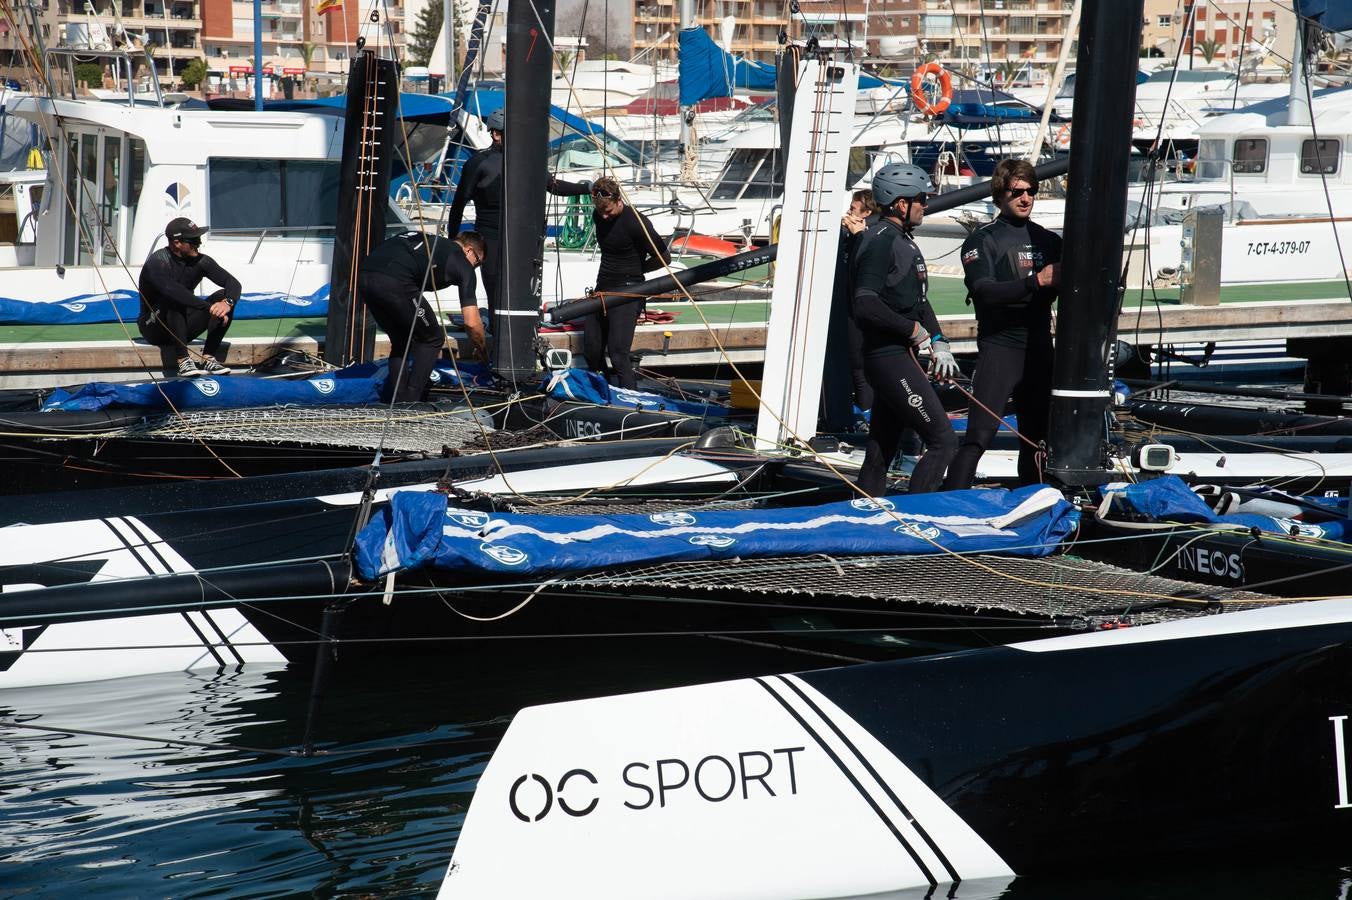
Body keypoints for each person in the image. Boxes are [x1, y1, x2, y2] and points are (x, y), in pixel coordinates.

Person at [943, 157, 1062, 490]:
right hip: (1001, 346)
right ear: (1000, 194)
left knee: (1036, 437)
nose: (1025, 198)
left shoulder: (1048, 240)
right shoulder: (983, 240)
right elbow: (984, 293)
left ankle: (1035, 501)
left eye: (1031, 191)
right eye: (1017, 192)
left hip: (1039, 346)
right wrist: (1034, 283)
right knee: (979, 436)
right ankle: (950, 502)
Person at [850, 163, 959, 497]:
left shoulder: (903, 240)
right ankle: (918, 514)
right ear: (900, 204)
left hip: (897, 355)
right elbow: (864, 303)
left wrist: (939, 341)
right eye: (921, 198)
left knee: (881, 448)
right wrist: (912, 330)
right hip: (889, 358)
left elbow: (919, 302)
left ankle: (867, 510)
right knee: (943, 440)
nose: (925, 205)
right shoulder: (881, 240)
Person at [548, 176, 670, 390]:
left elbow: (664, 258)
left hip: (628, 291)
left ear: (618, 200)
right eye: (601, 211)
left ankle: (631, 399)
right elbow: (603, 219)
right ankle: (604, 389)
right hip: (602, 289)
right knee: (591, 352)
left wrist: (637, 270)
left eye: (609, 211)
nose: (605, 216)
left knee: (618, 354)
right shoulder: (598, 215)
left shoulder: (636, 222)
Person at [358, 229, 487, 403]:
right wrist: (482, 350)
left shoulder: (428, 239)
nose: (474, 268)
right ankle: (411, 402)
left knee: (401, 338)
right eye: (477, 263)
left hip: (365, 277)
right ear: (469, 250)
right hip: (395, 280)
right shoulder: (462, 262)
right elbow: (472, 323)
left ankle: (395, 400)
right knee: (432, 339)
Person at [137, 217, 241, 377]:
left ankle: (208, 358)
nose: (198, 244)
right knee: (174, 298)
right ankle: (183, 360)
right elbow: (172, 291)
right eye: (193, 241)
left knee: (222, 296)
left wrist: (227, 303)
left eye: (199, 239)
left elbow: (232, 282)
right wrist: (209, 308)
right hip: (153, 326)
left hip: (182, 327)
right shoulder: (158, 262)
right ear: (177, 242)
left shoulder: (201, 261)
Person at [447, 109, 506, 317]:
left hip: (519, 238)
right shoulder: (479, 162)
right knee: (496, 294)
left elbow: (552, 185)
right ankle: (497, 340)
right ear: (496, 134)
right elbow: (458, 204)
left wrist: (588, 187)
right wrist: (452, 242)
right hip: (489, 237)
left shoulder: (525, 162)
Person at [840, 188, 880, 413]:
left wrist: (858, 235)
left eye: (853, 209)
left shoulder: (868, 237)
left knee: (860, 367)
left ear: (865, 213)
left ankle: (868, 414)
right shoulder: (851, 235)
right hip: (849, 304)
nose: (848, 213)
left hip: (861, 309)